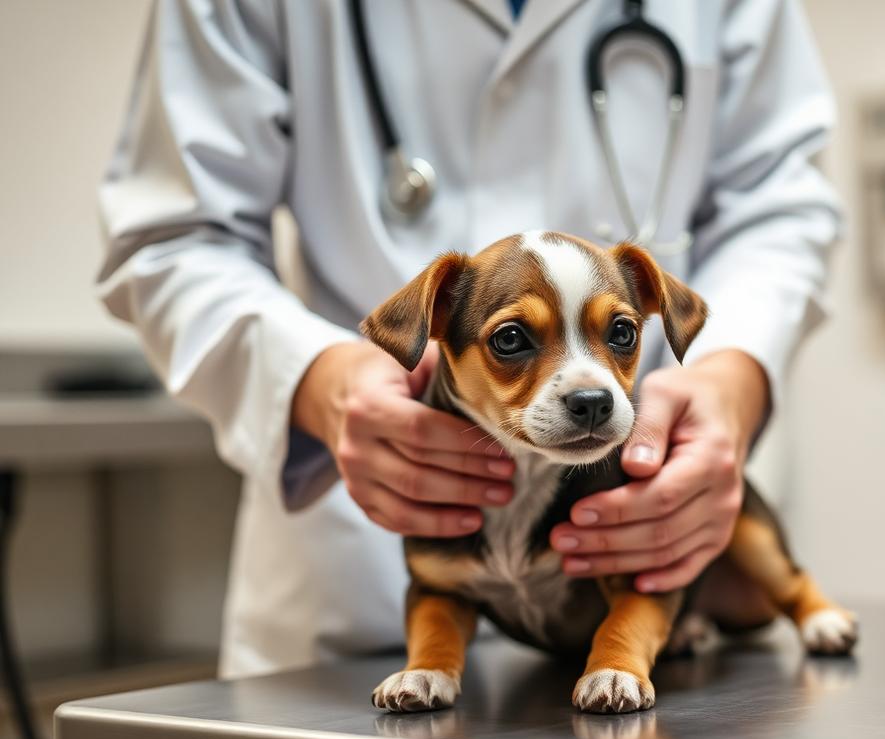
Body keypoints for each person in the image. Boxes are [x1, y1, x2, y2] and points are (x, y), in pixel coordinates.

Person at [97, 0, 840, 680]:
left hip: (652, 585)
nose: (583, 385)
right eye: (514, 340)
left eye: (617, 334)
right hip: (353, 590)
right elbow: (171, 236)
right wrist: (317, 382)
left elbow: (781, 203)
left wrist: (732, 379)